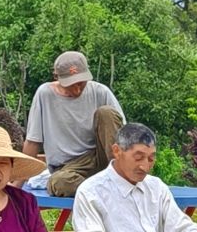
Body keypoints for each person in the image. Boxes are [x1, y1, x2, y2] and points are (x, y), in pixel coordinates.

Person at [24, 50, 125, 197]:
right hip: (67, 169)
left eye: (81, 83)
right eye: (71, 85)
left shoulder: (100, 91)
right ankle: (102, 189)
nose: (77, 90)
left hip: (100, 159)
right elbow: (33, 141)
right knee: (60, 182)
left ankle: (120, 176)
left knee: (106, 112)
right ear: (57, 77)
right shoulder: (44, 94)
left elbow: (124, 134)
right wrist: (17, 183)